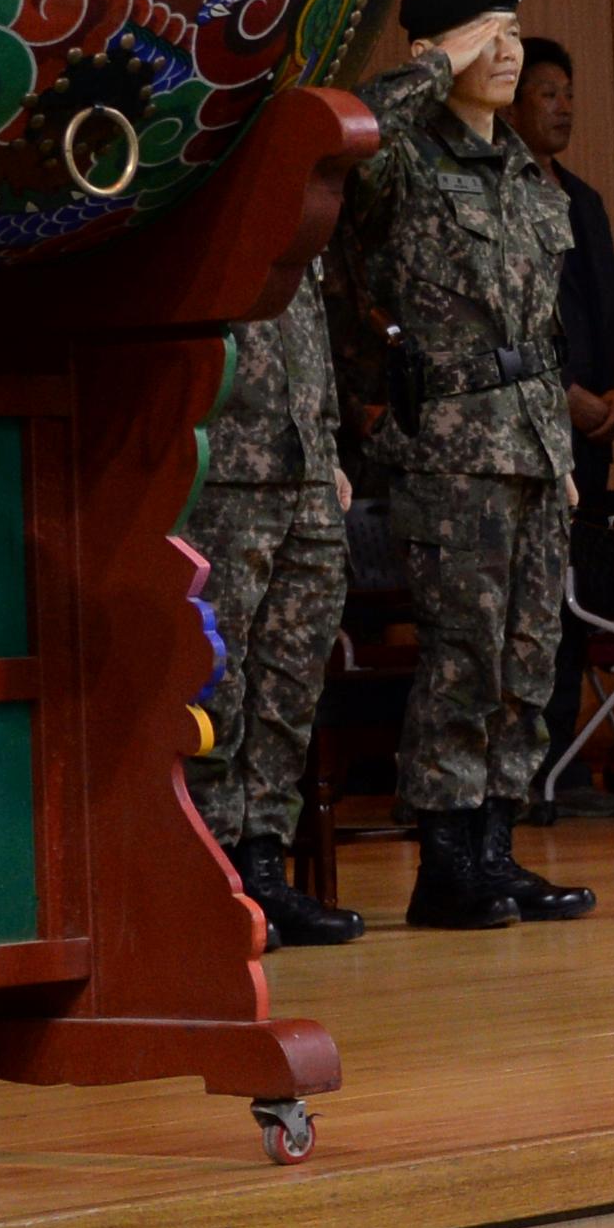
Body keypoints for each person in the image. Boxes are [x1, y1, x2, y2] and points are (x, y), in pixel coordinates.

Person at [334, 0, 599, 933]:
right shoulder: (401, 157)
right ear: (432, 53)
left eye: (514, 35)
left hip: (532, 441)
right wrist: (423, 70)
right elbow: (347, 136)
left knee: (529, 658)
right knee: (463, 657)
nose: (507, 52)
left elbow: (545, 333)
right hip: (448, 446)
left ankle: (496, 849)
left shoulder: (527, 172)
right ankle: (444, 863)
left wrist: (562, 455)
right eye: (484, 35)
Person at [182, 250, 366, 947]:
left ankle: (264, 865)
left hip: (309, 471)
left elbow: (311, 342)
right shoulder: (230, 194)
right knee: (218, 680)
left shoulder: (306, 216)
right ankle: (213, 870)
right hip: (229, 470)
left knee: (291, 685)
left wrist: (327, 449)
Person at [511, 35, 614, 503]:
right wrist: (561, 390)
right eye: (548, 95)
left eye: (569, 94)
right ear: (510, 105)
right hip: (528, 419)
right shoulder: (497, 194)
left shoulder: (583, 198)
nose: (564, 107)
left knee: (588, 559)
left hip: (594, 426)